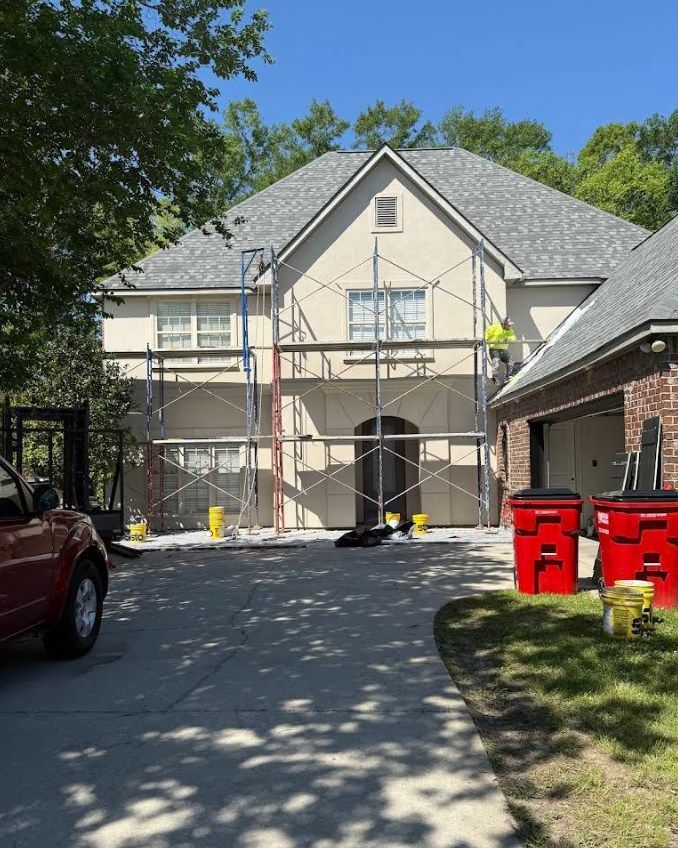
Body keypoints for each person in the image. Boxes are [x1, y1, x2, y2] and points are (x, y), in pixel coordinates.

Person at [485, 317, 516, 385]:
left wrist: (508, 339)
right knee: (496, 362)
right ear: (503, 324)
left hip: (503, 349)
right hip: (494, 349)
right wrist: (494, 341)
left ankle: (507, 377)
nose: (510, 326)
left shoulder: (509, 330)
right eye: (508, 325)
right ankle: (495, 378)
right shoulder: (495, 327)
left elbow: (513, 338)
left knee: (510, 361)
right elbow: (486, 336)